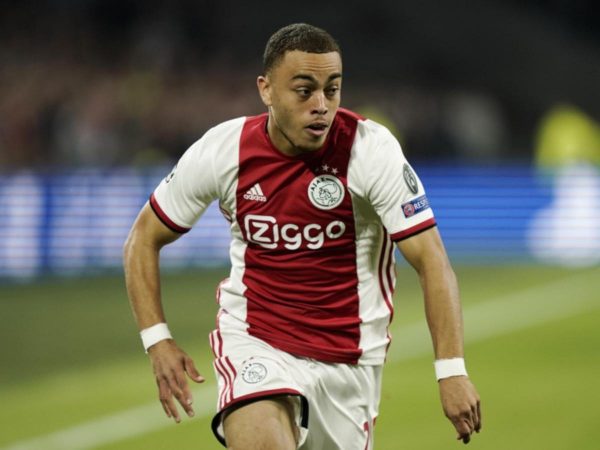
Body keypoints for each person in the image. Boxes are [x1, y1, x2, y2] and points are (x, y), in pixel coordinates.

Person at [123, 23, 481, 450]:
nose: (321, 106)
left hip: (349, 362)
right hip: (256, 340)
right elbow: (143, 237)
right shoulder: (224, 150)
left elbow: (432, 260)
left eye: (332, 90)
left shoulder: (370, 151)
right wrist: (157, 340)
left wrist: (451, 370)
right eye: (304, 91)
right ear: (266, 89)